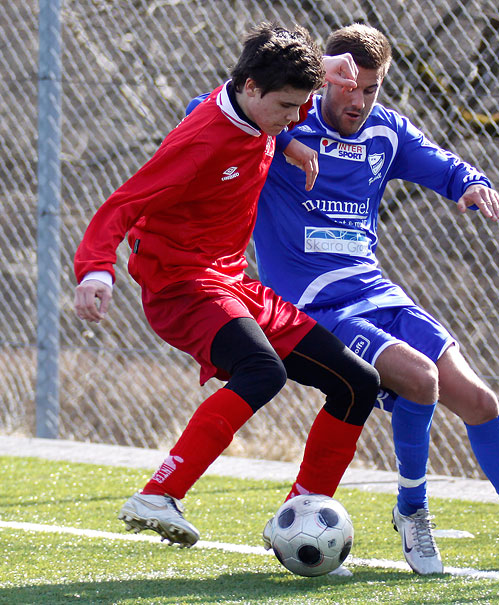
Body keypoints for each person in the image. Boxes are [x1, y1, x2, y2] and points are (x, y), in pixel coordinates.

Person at [248, 23, 499, 573]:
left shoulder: (386, 132)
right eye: (348, 85)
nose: (359, 100)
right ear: (325, 78)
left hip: (375, 290)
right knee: (419, 379)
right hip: (315, 305)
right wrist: (297, 112)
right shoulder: (282, 121)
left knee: (478, 399)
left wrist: (471, 182)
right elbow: (213, 103)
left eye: (371, 88)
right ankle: (412, 511)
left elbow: (440, 163)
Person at [73, 23, 381, 549]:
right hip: (181, 282)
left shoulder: (263, 107)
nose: (295, 117)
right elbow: (124, 203)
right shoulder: (201, 138)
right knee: (261, 371)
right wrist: (96, 269)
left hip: (231, 279)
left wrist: (290, 137)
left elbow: (279, 111)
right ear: (251, 88)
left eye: (299, 105)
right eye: (287, 106)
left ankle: (299, 517)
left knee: (358, 383)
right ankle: (160, 494)